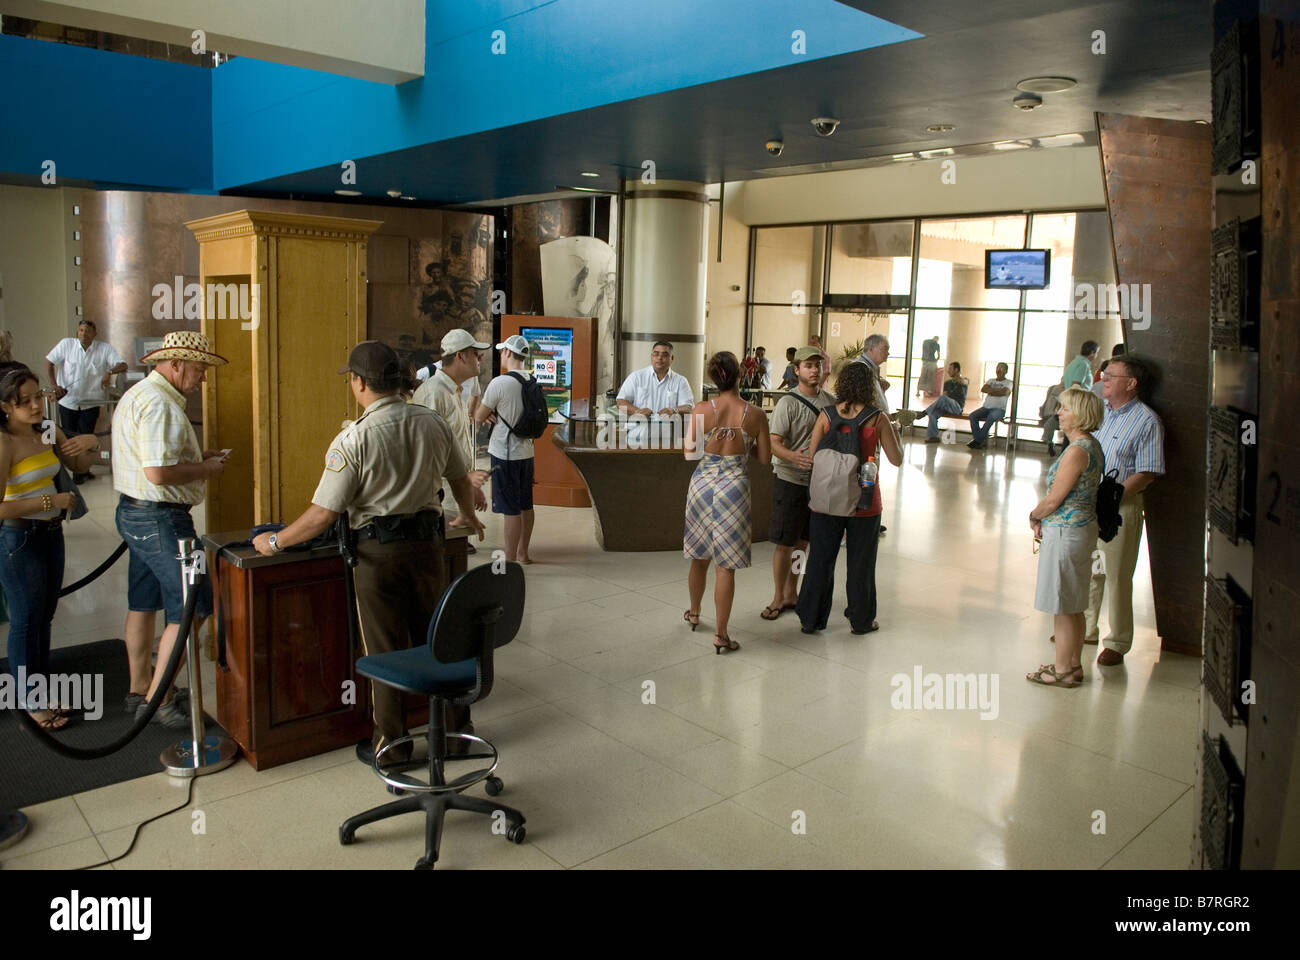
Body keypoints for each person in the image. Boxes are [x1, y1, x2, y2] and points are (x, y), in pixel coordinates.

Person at [254, 340, 484, 765]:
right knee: (439, 638)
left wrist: (275, 541)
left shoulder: (353, 438)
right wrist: (468, 515)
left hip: (378, 555)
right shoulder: (432, 422)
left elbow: (324, 514)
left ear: (359, 383)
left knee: (384, 651)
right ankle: (455, 734)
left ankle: (393, 746)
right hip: (428, 548)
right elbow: (459, 478)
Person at [111, 331, 228, 729]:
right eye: (199, 368)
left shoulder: (141, 394)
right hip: (161, 518)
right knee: (195, 603)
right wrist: (205, 469)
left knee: (143, 603)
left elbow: (153, 459)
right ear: (175, 364)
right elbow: (158, 472)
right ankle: (157, 699)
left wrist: (198, 456)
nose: (204, 378)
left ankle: (139, 686)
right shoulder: (161, 404)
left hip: (134, 512)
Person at [0, 369, 99, 729]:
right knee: (25, 620)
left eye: (37, 397)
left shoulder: (46, 430)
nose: (34, 405)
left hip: (50, 533)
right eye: (23, 401)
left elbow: (79, 463)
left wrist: (91, 443)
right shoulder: (4, 442)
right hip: (18, 538)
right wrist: (49, 501)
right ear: (5, 407)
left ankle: (40, 690)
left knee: (43, 617)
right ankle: (28, 698)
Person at [796, 361, 902, 635]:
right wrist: (895, 433)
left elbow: (813, 457)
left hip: (826, 500)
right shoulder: (876, 418)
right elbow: (896, 459)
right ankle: (861, 620)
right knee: (860, 564)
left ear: (842, 384)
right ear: (870, 387)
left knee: (820, 559)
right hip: (864, 503)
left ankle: (811, 618)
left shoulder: (826, 415)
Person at [682, 352, 771, 653]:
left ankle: (694, 613)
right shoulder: (756, 414)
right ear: (740, 376)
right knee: (725, 566)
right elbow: (765, 458)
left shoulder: (701, 410)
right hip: (734, 487)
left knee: (699, 555)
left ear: (713, 379)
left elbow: (689, 454)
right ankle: (721, 635)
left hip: (702, 484)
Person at [1084, 355, 1165, 667]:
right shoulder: (1100, 413)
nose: (1104, 379)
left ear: (1131, 384)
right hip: (1090, 503)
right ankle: (1087, 628)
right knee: (1092, 568)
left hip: (1122, 506)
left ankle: (1117, 641)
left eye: (1111, 376)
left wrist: (1112, 498)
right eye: (1105, 374)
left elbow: (1147, 472)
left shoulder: (1147, 422)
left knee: (1117, 575)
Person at [1026, 387, 1106, 687]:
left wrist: (1035, 516)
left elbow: (1053, 500)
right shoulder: (1091, 445)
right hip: (1081, 529)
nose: (1058, 413)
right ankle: (1073, 665)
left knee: (1062, 604)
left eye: (1065, 409)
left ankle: (1061, 669)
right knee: (1074, 602)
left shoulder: (1076, 451)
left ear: (1081, 415)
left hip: (1065, 532)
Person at [761, 347, 835, 621]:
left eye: (818, 365)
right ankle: (778, 595)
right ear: (797, 371)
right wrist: (795, 457)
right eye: (808, 366)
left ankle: (793, 592)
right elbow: (773, 443)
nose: (814, 370)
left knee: (803, 542)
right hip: (790, 480)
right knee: (784, 543)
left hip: (819, 484)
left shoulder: (831, 402)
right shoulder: (787, 404)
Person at [412, 330, 490, 552]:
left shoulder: (453, 392)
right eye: (477, 354)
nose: (480, 360)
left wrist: (468, 485)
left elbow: (455, 444)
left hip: (454, 495)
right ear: (461, 356)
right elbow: (426, 454)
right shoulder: (433, 393)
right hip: (440, 501)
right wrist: (464, 481)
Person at [475, 334, 538, 563]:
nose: (501, 355)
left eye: (502, 351)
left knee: (510, 508)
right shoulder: (532, 380)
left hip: (505, 453)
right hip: (527, 452)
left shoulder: (499, 383)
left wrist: (489, 411)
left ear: (509, 353)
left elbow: (479, 416)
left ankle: (509, 558)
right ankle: (523, 553)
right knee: (525, 504)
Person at [45, 319, 126, 482]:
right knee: (69, 437)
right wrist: (54, 386)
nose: (83, 334)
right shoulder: (66, 344)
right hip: (68, 401)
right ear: (77, 332)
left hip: (91, 402)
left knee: (86, 436)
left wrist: (109, 371)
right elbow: (49, 362)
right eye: (81, 330)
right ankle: (73, 470)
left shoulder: (104, 348)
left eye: (87, 331)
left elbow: (122, 364)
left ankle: (82, 470)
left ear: (94, 334)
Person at [616, 340, 694, 446]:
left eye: (665, 355)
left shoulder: (680, 381)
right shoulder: (637, 376)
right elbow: (621, 402)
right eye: (656, 354)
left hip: (668, 438)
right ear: (651, 356)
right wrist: (637, 411)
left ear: (672, 358)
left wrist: (673, 410)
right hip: (637, 435)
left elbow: (689, 407)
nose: (659, 358)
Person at [913, 361, 968, 443]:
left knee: (942, 398)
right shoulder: (947, 383)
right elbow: (945, 396)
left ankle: (924, 413)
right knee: (933, 413)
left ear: (956, 370)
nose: (948, 371)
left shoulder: (965, 380)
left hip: (957, 408)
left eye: (950, 369)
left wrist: (958, 378)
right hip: (946, 407)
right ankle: (933, 437)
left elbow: (963, 382)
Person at [967, 362, 1013, 449]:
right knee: (972, 416)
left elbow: (1004, 392)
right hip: (986, 408)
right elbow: (983, 389)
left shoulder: (1009, 382)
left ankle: (978, 440)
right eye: (997, 368)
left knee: (991, 417)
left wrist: (991, 391)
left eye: (1001, 369)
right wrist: (997, 391)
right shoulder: (991, 380)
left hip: (999, 410)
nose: (998, 370)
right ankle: (979, 439)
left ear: (1006, 371)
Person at [1039, 383, 1064, 456]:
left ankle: (1049, 442)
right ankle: (1049, 443)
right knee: (1049, 424)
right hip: (1052, 416)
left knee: (1049, 424)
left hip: (1055, 417)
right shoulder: (1053, 389)